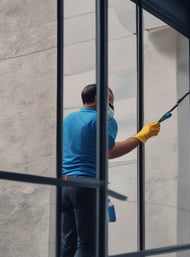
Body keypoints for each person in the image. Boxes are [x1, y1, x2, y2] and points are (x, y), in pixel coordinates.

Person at [61, 83, 160, 257]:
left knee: (68, 243)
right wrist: (141, 137)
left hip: (64, 186)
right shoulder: (104, 120)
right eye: (111, 101)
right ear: (100, 100)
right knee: (87, 245)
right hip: (87, 185)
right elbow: (109, 152)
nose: (112, 106)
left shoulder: (68, 119)